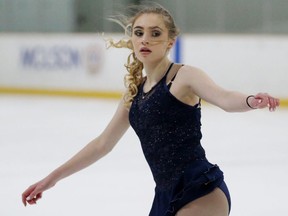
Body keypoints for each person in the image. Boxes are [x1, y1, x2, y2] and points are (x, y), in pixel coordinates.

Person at [22, 3, 280, 216]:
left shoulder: (184, 76)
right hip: (164, 197)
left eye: (155, 33)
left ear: (170, 41)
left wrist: (250, 100)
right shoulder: (134, 93)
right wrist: (51, 179)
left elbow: (223, 97)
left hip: (200, 191)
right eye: (138, 32)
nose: (145, 39)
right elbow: (102, 144)